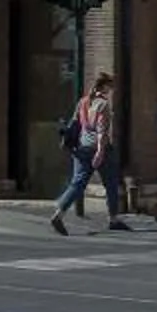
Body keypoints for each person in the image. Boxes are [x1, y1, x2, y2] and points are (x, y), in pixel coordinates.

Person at [52, 74, 132, 235]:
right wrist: (100, 152)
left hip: (81, 148)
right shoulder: (103, 104)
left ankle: (58, 214)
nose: (112, 90)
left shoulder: (83, 102)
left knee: (77, 183)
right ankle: (113, 219)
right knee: (111, 183)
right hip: (99, 148)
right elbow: (102, 131)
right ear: (104, 87)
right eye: (110, 86)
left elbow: (75, 124)